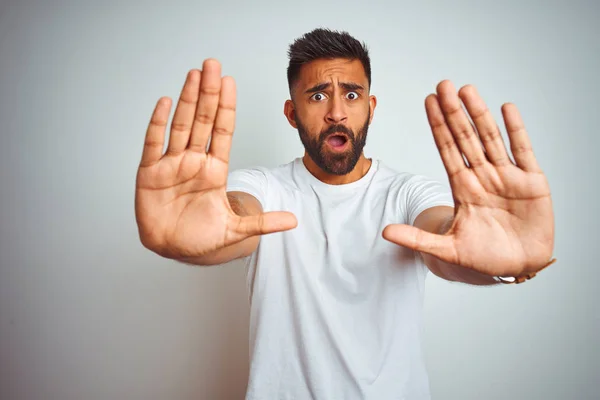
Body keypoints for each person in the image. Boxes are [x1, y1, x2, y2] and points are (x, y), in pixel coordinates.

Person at [135, 28, 556, 399]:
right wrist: (181, 241)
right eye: (317, 95)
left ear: (370, 107)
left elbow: (448, 243)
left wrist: (499, 264)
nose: (337, 111)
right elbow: (233, 223)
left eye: (351, 94)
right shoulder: (263, 188)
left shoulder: (408, 192)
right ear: (291, 112)